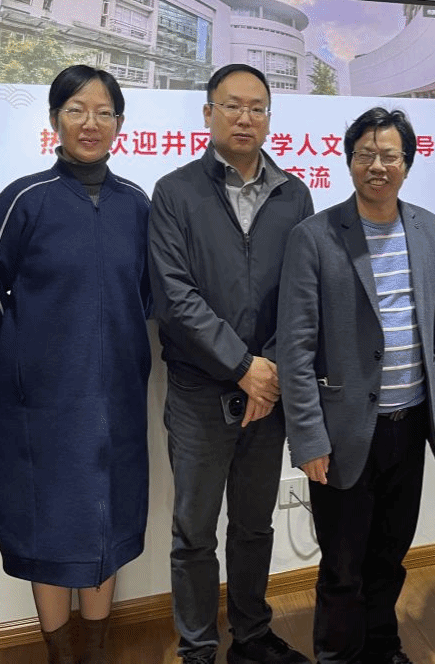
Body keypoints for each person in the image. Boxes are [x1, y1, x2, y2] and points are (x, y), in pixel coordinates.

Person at [0, 65, 151, 664]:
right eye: (75, 110)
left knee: (107, 522)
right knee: (48, 527)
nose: (90, 123)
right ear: (54, 120)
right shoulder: (22, 200)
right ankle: (59, 655)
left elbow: (146, 296)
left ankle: (94, 652)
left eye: (103, 112)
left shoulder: (136, 205)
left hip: (118, 399)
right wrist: (28, 359)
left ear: (119, 123)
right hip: (41, 407)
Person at [276, 107, 435, 664]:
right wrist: (308, 439)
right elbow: (295, 347)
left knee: (389, 554)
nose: (377, 166)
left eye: (389, 156)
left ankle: (383, 646)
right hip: (342, 433)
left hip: (410, 424)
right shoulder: (314, 236)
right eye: (366, 155)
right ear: (349, 160)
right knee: (342, 565)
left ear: (407, 162)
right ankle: (338, 655)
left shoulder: (427, 228)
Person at [148, 64, 313, 664]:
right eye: (232, 106)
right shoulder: (175, 192)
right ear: (208, 113)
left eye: (257, 108)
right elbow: (174, 296)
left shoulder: (294, 193)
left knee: (253, 525)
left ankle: (251, 635)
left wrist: (268, 370)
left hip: (269, 392)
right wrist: (243, 366)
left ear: (269, 117)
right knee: (194, 532)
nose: (245, 118)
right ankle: (197, 648)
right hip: (201, 392)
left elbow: (303, 292)